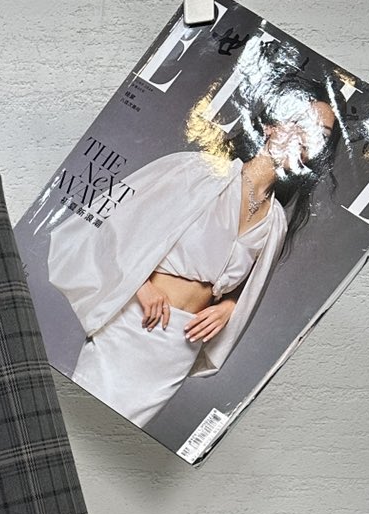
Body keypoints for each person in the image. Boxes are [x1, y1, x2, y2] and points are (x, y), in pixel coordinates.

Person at [48, 78, 339, 428]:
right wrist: (140, 285)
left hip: (179, 349)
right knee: (69, 424)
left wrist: (228, 308)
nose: (309, 138)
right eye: (302, 124)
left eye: (321, 135)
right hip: (133, 323)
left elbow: (241, 290)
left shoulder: (275, 220)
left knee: (115, 436)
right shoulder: (199, 171)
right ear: (270, 125)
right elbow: (110, 226)